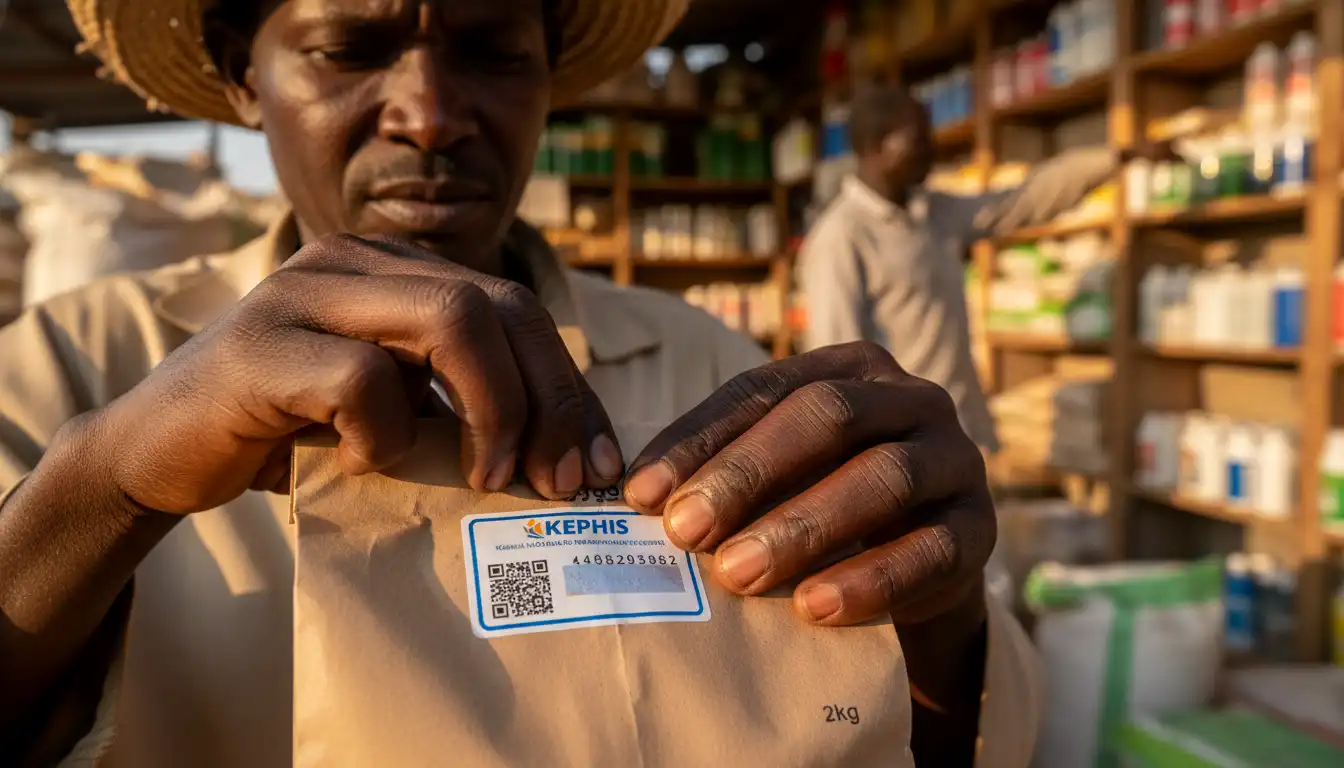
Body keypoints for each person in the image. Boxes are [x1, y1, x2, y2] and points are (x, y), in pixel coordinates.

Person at [1, 2, 1031, 767]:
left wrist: (940, 625)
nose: (431, 114)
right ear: (243, 75)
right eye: (349, 49)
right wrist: (105, 489)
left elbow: (941, 733)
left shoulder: (715, 371)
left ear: (548, 74)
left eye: (493, 49)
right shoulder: (77, 365)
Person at [798, 82, 1173, 452]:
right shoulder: (842, 237)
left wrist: (1117, 159)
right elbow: (837, 362)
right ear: (875, 147)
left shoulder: (933, 213)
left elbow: (1023, 201)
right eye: (919, 138)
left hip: (958, 426)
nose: (931, 149)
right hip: (905, 446)